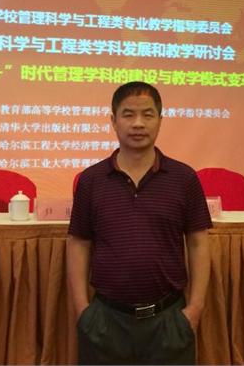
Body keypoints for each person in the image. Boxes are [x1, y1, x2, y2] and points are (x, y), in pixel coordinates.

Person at [67, 81, 212, 365]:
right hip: (105, 321)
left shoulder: (184, 178)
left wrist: (194, 309)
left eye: (147, 114)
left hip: (169, 319)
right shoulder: (91, 180)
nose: (138, 124)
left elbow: (198, 242)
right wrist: (83, 310)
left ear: (160, 120)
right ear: (113, 121)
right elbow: (78, 242)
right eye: (128, 114)